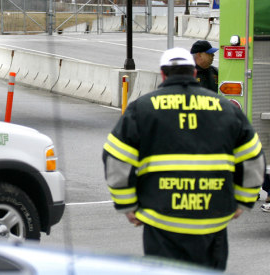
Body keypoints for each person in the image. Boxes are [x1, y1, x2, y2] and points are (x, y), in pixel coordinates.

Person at [103, 47, 265, 270]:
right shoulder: (226, 108)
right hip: (212, 221)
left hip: (161, 221)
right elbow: (253, 157)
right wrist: (244, 200)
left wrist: (127, 205)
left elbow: (116, 157)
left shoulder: (141, 109)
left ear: (162, 74)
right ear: (194, 73)